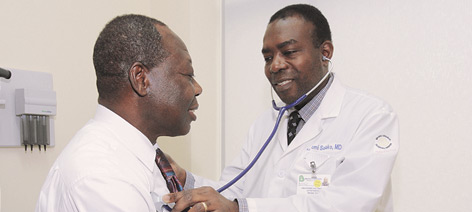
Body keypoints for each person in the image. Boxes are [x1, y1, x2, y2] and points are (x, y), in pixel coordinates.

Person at [165, 4, 399, 212]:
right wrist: (187, 180)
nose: (275, 65)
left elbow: (349, 203)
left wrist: (242, 208)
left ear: (325, 53)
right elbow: (232, 191)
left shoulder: (371, 116)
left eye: (289, 52)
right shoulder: (264, 125)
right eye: (268, 58)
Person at [35, 14, 202, 212]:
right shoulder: (101, 175)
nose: (198, 88)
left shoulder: (144, 159)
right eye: (188, 75)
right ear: (141, 79)